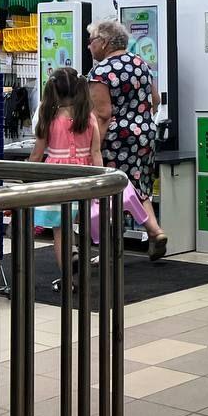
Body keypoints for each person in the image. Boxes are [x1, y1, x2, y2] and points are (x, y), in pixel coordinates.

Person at [86, 19, 167, 260]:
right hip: (145, 134)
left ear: (104, 42)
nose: (89, 46)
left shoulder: (100, 72)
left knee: (113, 189)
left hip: (116, 139)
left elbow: (102, 114)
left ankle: (112, 247)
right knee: (138, 186)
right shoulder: (141, 63)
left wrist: (94, 147)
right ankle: (155, 231)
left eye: (91, 41)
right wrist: (139, 120)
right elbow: (155, 100)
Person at [29, 67, 100, 290]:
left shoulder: (48, 118)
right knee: (82, 224)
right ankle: (81, 264)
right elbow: (96, 152)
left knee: (60, 229)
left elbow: (37, 154)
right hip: (84, 176)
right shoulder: (88, 117)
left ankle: (68, 279)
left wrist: (26, 176)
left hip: (57, 177)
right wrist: (100, 180)